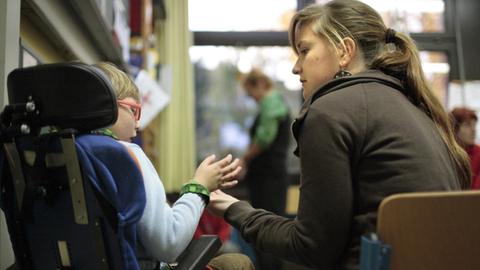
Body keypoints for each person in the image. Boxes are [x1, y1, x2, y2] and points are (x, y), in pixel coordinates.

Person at [207, 1, 471, 269]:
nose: (296, 67)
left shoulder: (330, 110)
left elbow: (310, 246)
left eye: (304, 50)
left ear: (344, 51)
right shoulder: (413, 106)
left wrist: (235, 209)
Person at [91, 62, 254, 269]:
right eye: (134, 111)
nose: (138, 124)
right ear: (110, 106)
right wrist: (199, 187)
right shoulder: (127, 155)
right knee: (238, 263)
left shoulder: (65, 149)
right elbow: (169, 244)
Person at [240, 69, 290, 270]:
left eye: (250, 92)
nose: (251, 98)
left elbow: (264, 139)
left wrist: (244, 160)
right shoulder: (273, 103)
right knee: (269, 231)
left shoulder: (271, 103)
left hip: (268, 179)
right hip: (268, 177)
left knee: (266, 231)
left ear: (259, 84)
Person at [450, 107, 480, 189]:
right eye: (467, 125)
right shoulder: (446, 153)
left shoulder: (478, 154)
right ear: (454, 129)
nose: (473, 130)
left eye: (474, 125)